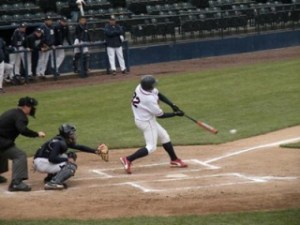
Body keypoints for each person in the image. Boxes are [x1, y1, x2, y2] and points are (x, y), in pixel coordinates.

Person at [120, 75, 187, 174]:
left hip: (143, 118)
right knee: (151, 147)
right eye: (153, 84)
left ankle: (174, 159)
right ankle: (128, 159)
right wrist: (176, 114)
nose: (154, 86)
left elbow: (158, 94)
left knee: (164, 136)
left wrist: (172, 105)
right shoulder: (148, 100)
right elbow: (161, 115)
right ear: (148, 86)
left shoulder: (140, 87)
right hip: (146, 122)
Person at [33, 124, 108, 190]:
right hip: (42, 163)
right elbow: (52, 159)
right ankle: (53, 183)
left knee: (70, 155)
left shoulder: (61, 140)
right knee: (71, 166)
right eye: (72, 133)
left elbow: (79, 147)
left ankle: (50, 178)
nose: (74, 135)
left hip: (40, 161)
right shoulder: (59, 143)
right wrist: (67, 159)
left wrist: (95, 151)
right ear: (67, 134)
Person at [0, 97, 46, 192]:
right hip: (1, 141)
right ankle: (16, 183)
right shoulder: (21, 116)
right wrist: (37, 134)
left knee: (3, 152)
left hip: (2, 140)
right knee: (19, 155)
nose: (33, 109)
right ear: (26, 106)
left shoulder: (12, 112)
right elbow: (23, 130)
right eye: (32, 106)